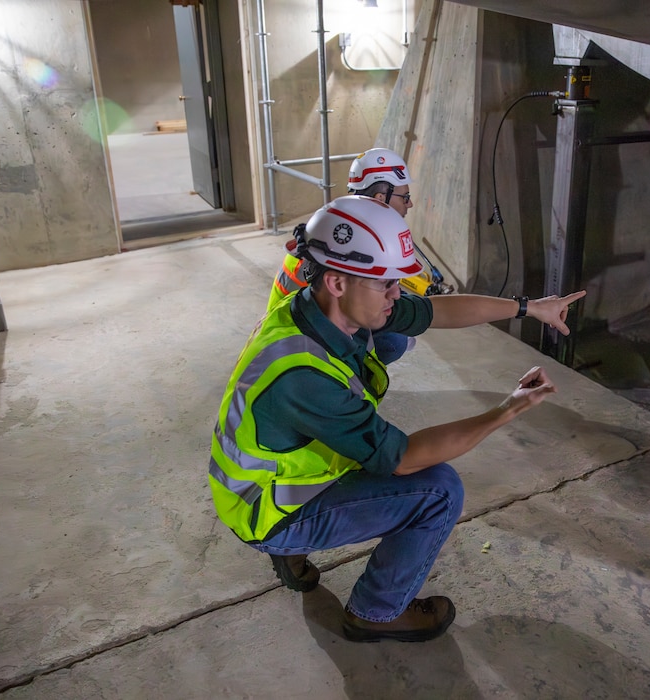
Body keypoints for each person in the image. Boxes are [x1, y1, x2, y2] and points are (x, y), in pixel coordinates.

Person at [209, 195, 586, 643]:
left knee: (391, 338)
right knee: (439, 491)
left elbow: (436, 311)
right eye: (386, 283)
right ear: (337, 282)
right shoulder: (302, 377)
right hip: (266, 511)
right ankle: (375, 612)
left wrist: (530, 307)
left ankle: (297, 548)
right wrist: (509, 408)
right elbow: (404, 458)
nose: (396, 294)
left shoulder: (315, 307)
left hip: (273, 481)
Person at [267, 148, 415, 364]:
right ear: (381, 198)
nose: (409, 204)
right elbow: (330, 315)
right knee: (395, 338)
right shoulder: (343, 243)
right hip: (297, 341)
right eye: (406, 197)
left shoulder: (346, 227)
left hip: (308, 323)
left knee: (399, 306)